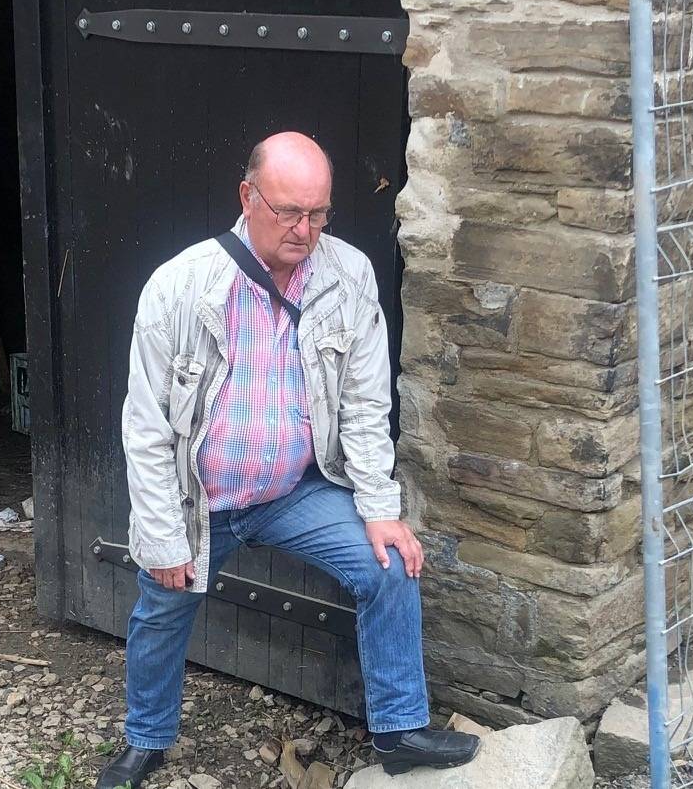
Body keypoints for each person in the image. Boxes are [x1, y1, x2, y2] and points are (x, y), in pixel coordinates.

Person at [95, 132, 481, 789]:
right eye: (288, 212)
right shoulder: (180, 287)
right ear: (248, 197)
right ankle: (147, 739)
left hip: (293, 490)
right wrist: (162, 535)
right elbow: (147, 426)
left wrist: (381, 510)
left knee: (390, 563)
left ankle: (399, 730)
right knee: (160, 607)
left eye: (319, 213)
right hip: (203, 497)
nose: (305, 229)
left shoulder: (349, 274)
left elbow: (363, 403)